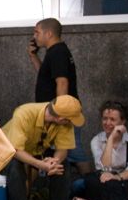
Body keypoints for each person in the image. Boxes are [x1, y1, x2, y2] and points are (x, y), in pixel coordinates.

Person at [1, 96, 85, 200]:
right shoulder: (24, 113)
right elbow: (15, 150)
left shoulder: (64, 123)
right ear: (60, 118)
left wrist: (54, 161)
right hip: (7, 154)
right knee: (15, 166)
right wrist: (41, 165)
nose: (71, 123)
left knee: (62, 166)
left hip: (36, 153)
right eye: (70, 120)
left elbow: (63, 149)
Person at [27, 18, 89, 175]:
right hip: (55, 113)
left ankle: (91, 183)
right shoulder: (54, 52)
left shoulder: (57, 52)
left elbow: (62, 82)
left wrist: (60, 110)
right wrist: (33, 56)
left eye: (37, 32)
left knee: (75, 152)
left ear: (48, 34)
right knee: (67, 151)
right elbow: (45, 75)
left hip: (61, 113)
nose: (34, 36)